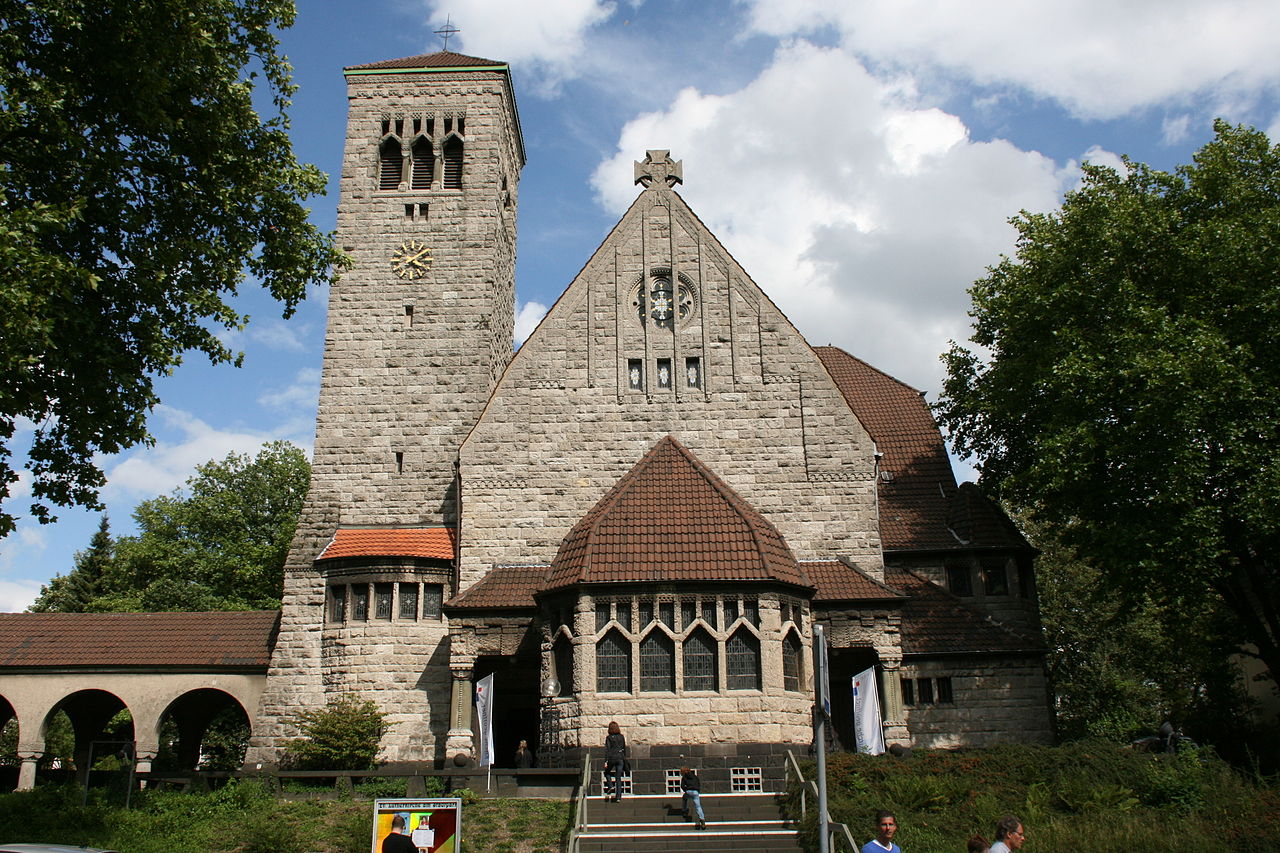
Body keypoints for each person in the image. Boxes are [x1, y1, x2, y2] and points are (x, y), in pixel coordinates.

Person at [603, 720, 627, 801]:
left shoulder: (609, 738)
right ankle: (618, 797)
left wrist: (606, 761)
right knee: (618, 778)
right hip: (620, 758)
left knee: (606, 772)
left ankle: (610, 785)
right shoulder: (621, 736)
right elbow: (624, 747)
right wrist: (624, 758)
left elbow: (607, 750)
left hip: (612, 758)